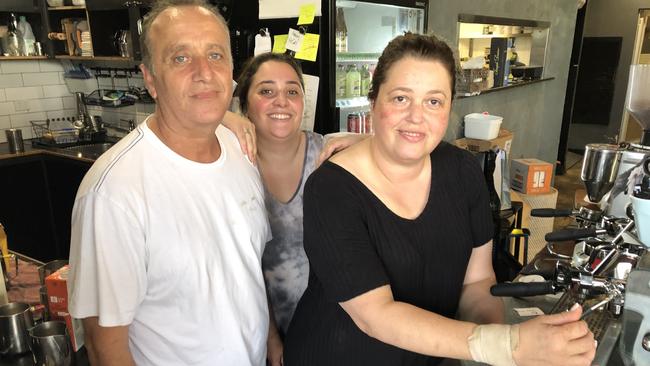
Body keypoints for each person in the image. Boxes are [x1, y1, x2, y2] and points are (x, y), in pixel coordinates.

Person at [284, 33, 596, 366]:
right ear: (373, 101)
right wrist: (508, 344)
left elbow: (477, 281)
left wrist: (494, 349)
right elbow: (374, 315)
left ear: (449, 108)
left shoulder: (462, 171)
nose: (416, 116)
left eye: (434, 101)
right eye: (401, 98)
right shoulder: (331, 189)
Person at [67, 1, 271, 365]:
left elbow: (245, 270)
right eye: (180, 58)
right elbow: (106, 348)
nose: (204, 72)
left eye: (215, 55)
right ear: (150, 79)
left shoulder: (241, 151)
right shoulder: (113, 194)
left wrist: (271, 340)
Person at [234, 53, 365, 365]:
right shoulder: (232, 165)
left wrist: (364, 140)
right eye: (266, 91)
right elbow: (241, 268)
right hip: (262, 331)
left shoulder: (330, 153)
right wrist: (270, 338)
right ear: (245, 104)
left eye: (292, 91)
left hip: (335, 330)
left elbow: (399, 146)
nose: (281, 101)